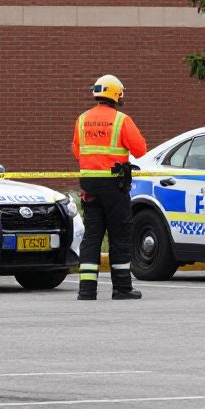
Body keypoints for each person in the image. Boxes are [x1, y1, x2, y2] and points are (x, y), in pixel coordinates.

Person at [72, 74, 148, 300]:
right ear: (116, 94)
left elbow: (77, 151)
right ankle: (122, 288)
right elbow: (140, 150)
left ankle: (87, 290)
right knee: (119, 234)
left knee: (92, 235)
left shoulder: (82, 119)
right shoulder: (121, 120)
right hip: (114, 185)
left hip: (89, 185)